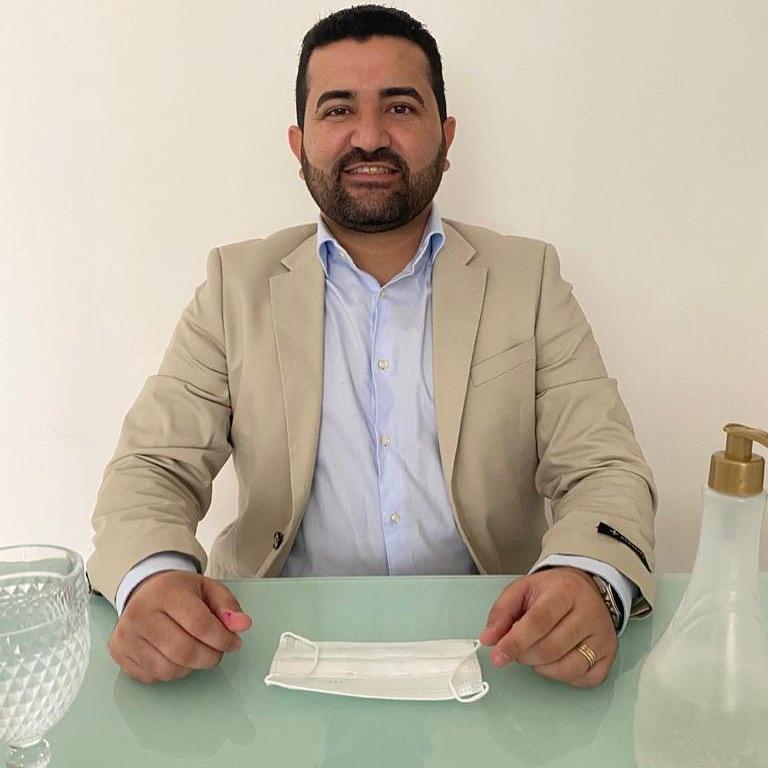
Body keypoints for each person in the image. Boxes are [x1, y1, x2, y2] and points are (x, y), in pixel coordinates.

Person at [87, 5, 657, 689]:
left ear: (446, 136)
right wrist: (152, 579)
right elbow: (153, 467)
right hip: (273, 651)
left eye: (400, 108)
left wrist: (587, 578)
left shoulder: (527, 278)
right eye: (338, 110)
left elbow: (603, 465)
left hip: (491, 647)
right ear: (299, 143)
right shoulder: (235, 287)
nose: (369, 137)